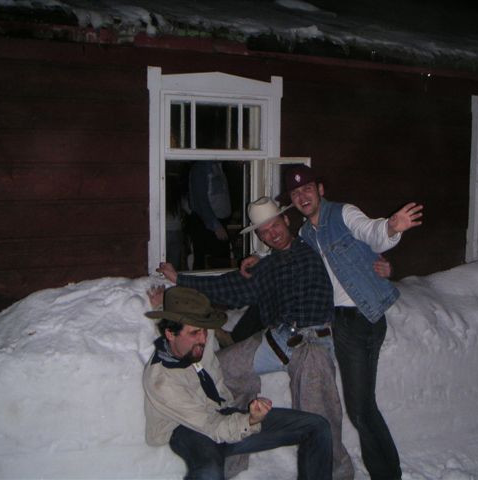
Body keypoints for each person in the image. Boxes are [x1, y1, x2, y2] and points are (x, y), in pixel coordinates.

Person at [242, 165, 422, 480]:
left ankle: (387, 474)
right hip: (335, 320)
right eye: (296, 193)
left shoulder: (343, 214)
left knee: (361, 408)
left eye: (307, 189)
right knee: (359, 406)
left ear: (320, 190)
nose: (302, 196)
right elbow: (289, 255)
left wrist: (392, 228)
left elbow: (371, 233)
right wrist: (259, 260)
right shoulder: (305, 234)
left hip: (359, 318)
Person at [157, 197, 355, 480]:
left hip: (313, 344)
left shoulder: (313, 246)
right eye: (264, 231)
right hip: (279, 338)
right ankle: (231, 459)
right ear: (260, 236)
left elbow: (350, 244)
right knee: (222, 369)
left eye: (275, 225)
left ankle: (337, 474)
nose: (272, 234)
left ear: (286, 220)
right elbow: (230, 288)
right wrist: (181, 280)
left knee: (318, 415)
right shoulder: (269, 265)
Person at [143, 286, 332, 480]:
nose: (203, 339)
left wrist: (162, 306)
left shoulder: (191, 339)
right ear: (170, 334)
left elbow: (180, 325)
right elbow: (210, 425)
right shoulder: (162, 381)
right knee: (208, 472)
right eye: (195, 333)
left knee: (317, 426)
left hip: (222, 413)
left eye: (204, 331)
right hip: (188, 429)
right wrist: (250, 421)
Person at [186, 161, 232, 269]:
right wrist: (216, 226)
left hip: (218, 222)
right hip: (206, 224)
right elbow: (200, 200)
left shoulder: (218, 166)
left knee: (222, 264)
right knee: (208, 266)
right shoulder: (201, 167)